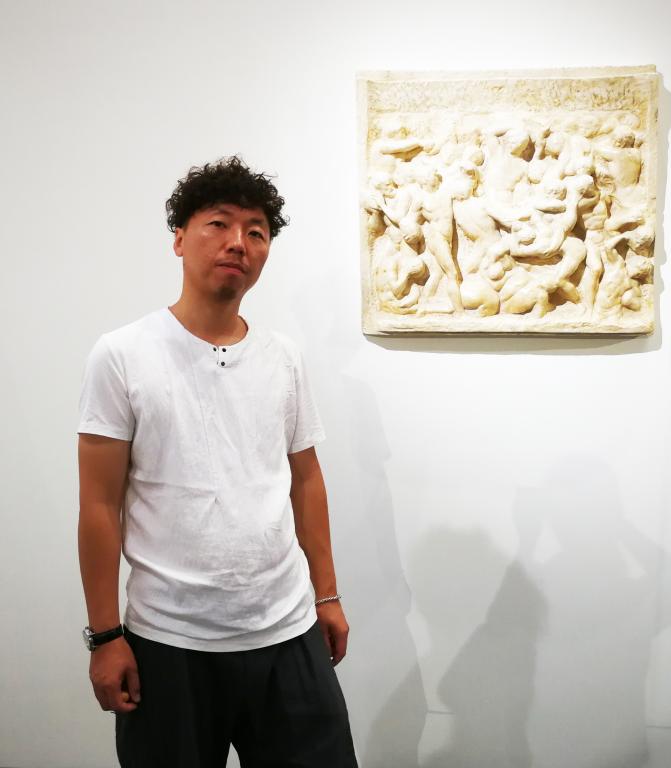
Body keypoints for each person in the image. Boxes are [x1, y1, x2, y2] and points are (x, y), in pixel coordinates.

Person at [77, 156, 358, 767]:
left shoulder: (284, 357)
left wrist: (327, 596)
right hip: (168, 641)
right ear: (179, 238)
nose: (239, 243)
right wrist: (105, 636)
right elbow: (99, 505)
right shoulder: (122, 354)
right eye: (219, 224)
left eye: (256, 232)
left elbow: (306, 481)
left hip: (287, 629)